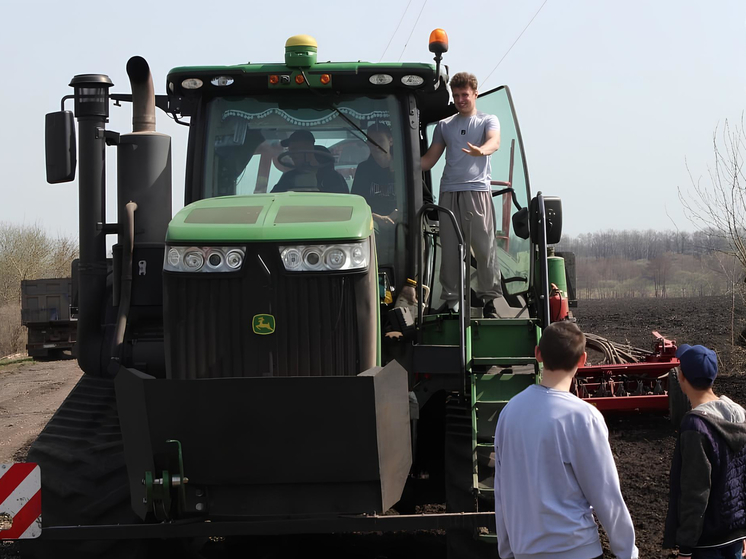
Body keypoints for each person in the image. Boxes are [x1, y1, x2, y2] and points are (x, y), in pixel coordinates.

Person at [494, 321, 638, 559]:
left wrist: (507, 548)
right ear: (582, 360)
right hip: (576, 549)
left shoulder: (509, 412)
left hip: (524, 551)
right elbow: (605, 494)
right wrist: (627, 553)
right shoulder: (583, 417)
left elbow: (502, 490)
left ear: (538, 354)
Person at [421, 71, 503, 318]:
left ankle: (490, 300)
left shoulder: (489, 120)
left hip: (476, 192)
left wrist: (481, 151)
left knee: (484, 247)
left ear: (475, 94)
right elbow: (428, 161)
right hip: (448, 193)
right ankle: (453, 302)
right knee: (451, 249)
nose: (460, 99)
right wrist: (397, 163)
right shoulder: (445, 126)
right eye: (456, 95)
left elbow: (494, 142)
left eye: (464, 94)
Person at [663, 344, 746, 559]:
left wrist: (685, 547)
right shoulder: (740, 415)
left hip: (707, 541)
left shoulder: (695, 425)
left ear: (681, 378)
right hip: (735, 534)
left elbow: (695, 490)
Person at [272, 130, 347, 194]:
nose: (291, 155)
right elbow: (274, 198)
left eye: (294, 150)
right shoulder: (288, 177)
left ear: (308, 149)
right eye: (290, 151)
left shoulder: (333, 177)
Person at [352, 123, 398, 226]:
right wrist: (376, 218)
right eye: (372, 142)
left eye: (381, 141)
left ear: (390, 141)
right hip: (371, 226)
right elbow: (357, 203)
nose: (376, 146)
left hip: (402, 224)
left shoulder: (403, 167)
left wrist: (403, 212)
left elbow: (423, 199)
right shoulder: (363, 169)